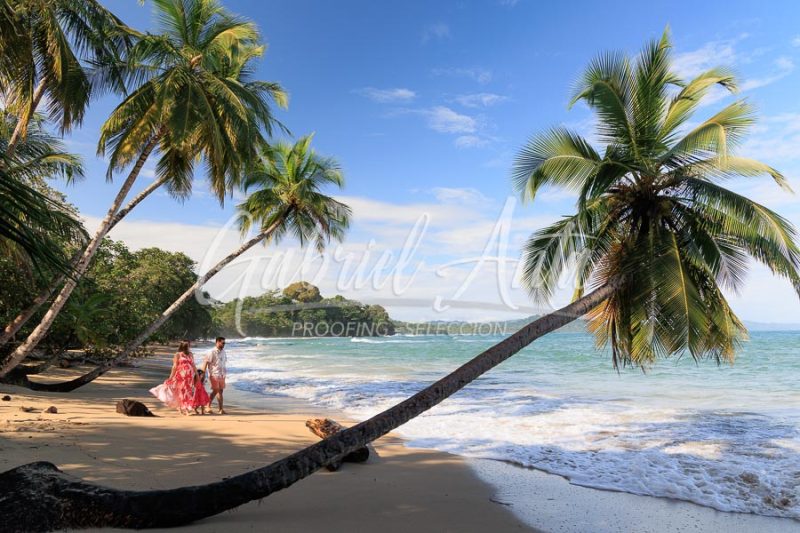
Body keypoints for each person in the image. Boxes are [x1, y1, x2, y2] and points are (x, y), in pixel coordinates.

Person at [150, 340, 209, 415]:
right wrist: (171, 377)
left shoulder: (190, 354)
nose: (189, 347)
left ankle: (184, 408)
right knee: (181, 391)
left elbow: (193, 365)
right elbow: (174, 366)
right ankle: (184, 409)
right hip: (180, 376)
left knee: (188, 391)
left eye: (189, 346)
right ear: (183, 346)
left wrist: (197, 375)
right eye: (187, 346)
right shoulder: (178, 355)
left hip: (189, 377)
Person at [201, 336, 227, 414]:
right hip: (214, 374)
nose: (224, 344)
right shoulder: (211, 352)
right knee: (217, 390)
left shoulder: (223, 352)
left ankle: (220, 409)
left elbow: (223, 362)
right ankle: (208, 406)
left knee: (220, 391)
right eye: (222, 343)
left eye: (224, 343)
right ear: (217, 342)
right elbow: (205, 362)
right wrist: (202, 374)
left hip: (222, 374)